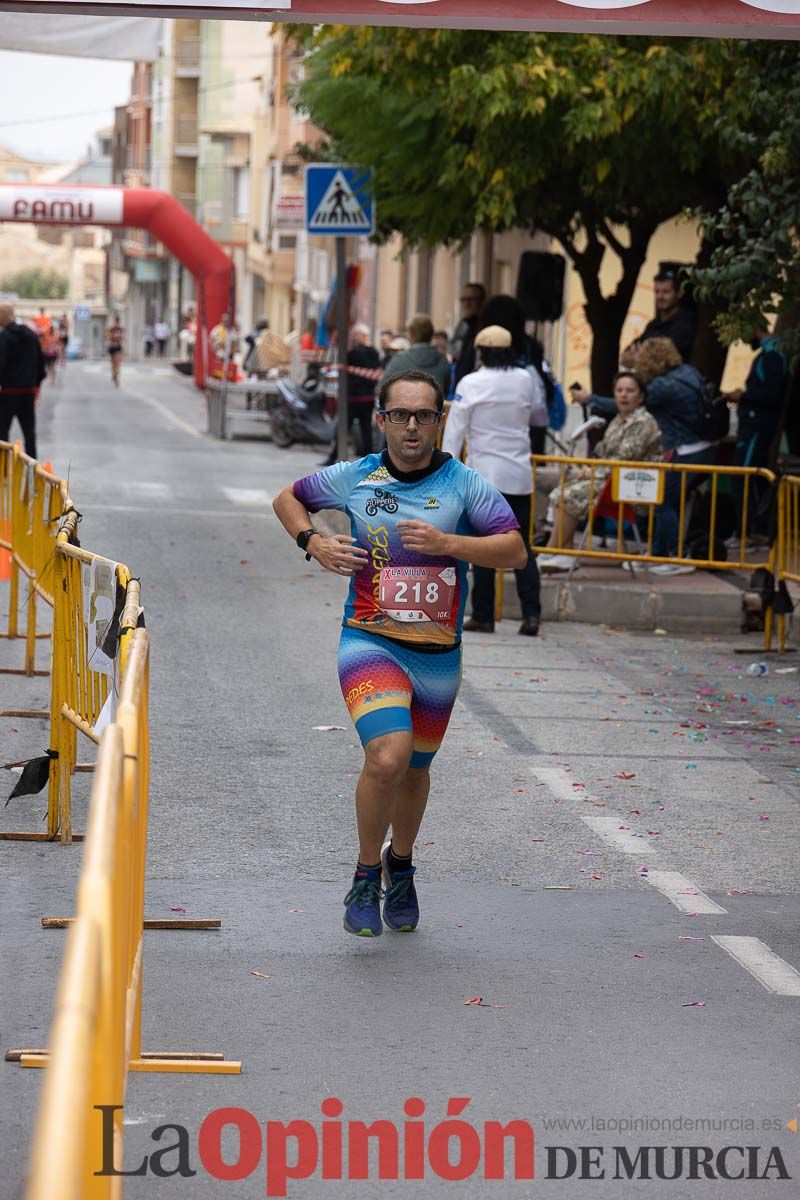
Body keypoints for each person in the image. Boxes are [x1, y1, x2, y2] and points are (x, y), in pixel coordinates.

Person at [273, 369, 527, 938]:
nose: (413, 427)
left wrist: (450, 545)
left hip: (437, 653)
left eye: (425, 416)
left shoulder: (465, 485)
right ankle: (366, 873)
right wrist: (311, 540)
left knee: (415, 769)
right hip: (369, 639)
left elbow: (514, 551)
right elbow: (288, 497)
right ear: (381, 419)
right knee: (388, 756)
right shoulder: (357, 476)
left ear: (441, 421)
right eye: (401, 415)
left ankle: (402, 865)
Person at [442, 325, 546, 635]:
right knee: (522, 545)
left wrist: (446, 469)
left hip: (484, 476)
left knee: (484, 545)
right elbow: (538, 416)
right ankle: (531, 615)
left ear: (481, 352)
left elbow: (455, 431)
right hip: (518, 475)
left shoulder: (471, 383)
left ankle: (484, 614)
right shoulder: (526, 379)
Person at [537, 370, 663, 572]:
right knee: (561, 492)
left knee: (566, 495)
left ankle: (553, 551)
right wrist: (589, 465)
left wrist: (592, 471)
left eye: (630, 391)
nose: (623, 395)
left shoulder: (642, 422)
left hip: (631, 486)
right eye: (619, 390)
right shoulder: (618, 420)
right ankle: (563, 553)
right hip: (612, 481)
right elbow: (604, 452)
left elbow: (624, 457)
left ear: (640, 396)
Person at [727, 327, 789, 540]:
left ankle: (746, 533)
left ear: (754, 329)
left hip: (757, 426)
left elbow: (772, 395)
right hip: (753, 425)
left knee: (742, 476)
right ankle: (757, 530)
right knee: (754, 480)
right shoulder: (767, 354)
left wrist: (743, 396)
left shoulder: (772, 356)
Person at [319, 324, 381, 465]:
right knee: (366, 429)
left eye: (355, 335)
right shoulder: (374, 353)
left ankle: (333, 456)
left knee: (343, 428)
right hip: (368, 398)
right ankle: (368, 460)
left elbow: (344, 369)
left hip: (353, 398)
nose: (353, 338)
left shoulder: (352, 354)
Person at [0, 302, 46, 458]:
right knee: (29, 434)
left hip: (7, 392)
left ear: (4, 316)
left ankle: (3, 470)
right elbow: (41, 364)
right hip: (28, 392)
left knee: (2, 434)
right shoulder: (31, 335)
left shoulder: (4, 337)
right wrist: (36, 385)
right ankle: (33, 471)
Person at [379, 314, 450, 397]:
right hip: (432, 408)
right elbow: (446, 389)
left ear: (411, 334)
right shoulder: (442, 360)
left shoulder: (400, 359)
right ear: (431, 334)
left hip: (404, 407)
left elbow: (381, 388)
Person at [636, 268, 697, 363]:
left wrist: (642, 353)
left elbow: (663, 355)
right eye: (657, 292)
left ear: (679, 294)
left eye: (666, 292)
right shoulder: (653, 324)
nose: (660, 297)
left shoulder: (686, 324)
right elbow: (630, 352)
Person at [451, 282, 486, 385]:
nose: (466, 304)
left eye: (471, 300)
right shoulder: (463, 326)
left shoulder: (483, 329)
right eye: (463, 300)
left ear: (481, 301)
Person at [105, 314, 124, 387]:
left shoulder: (120, 329)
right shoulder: (111, 329)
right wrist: (110, 337)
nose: (117, 323)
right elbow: (107, 335)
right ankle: (114, 374)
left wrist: (120, 340)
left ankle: (117, 379)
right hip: (112, 347)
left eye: (118, 321)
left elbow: (122, 337)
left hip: (118, 347)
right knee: (113, 364)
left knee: (118, 364)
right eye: (116, 321)